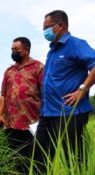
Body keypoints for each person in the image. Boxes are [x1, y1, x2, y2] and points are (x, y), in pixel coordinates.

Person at [35, 10, 95, 166]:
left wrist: (82, 90)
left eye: (47, 27)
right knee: (40, 153)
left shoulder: (76, 44)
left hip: (70, 112)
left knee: (74, 157)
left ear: (60, 25)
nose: (44, 32)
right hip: (48, 112)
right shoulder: (52, 50)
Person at [0, 37, 43, 175]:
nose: (13, 52)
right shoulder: (9, 71)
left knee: (34, 154)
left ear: (27, 50)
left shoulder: (38, 67)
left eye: (16, 50)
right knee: (15, 154)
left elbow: (45, 93)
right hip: (11, 122)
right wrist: (0, 115)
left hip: (32, 121)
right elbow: (3, 95)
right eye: (12, 50)